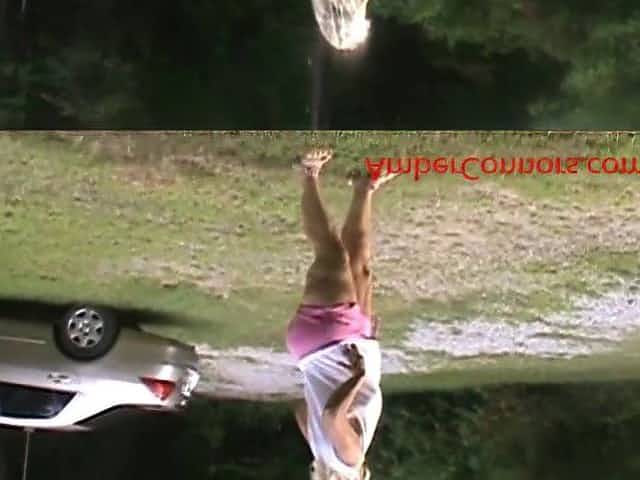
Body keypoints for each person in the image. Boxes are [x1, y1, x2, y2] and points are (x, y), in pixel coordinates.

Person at [286, 149, 398, 480]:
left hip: (333, 344)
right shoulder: (324, 456)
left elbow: (332, 416)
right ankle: (364, 187)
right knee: (359, 265)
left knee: (331, 254)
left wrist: (356, 377)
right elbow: (303, 411)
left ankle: (308, 173)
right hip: (346, 345)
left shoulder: (349, 459)